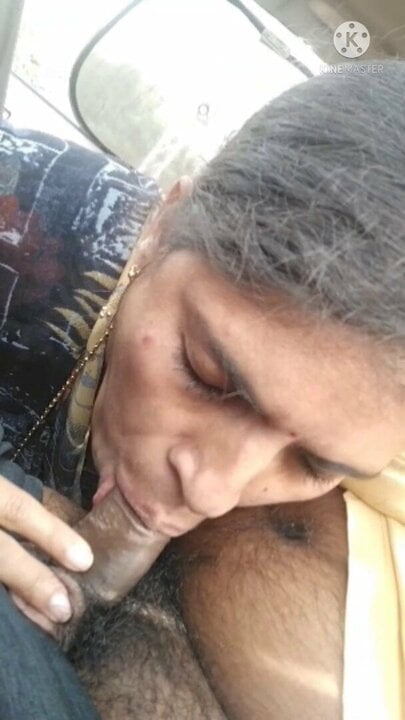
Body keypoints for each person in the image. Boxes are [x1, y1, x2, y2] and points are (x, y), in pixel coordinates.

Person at [0, 57, 404, 719]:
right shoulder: (19, 209)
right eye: (207, 375)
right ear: (162, 229)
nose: (211, 492)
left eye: (311, 464)